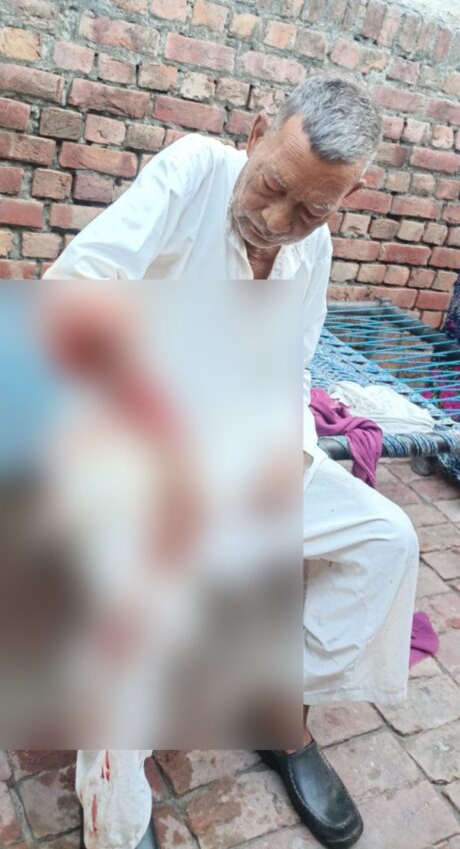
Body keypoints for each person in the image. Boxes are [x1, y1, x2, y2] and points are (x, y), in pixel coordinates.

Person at [44, 74, 419, 849]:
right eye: (274, 187)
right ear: (254, 134)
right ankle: (118, 814)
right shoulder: (191, 173)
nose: (279, 223)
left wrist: (285, 452)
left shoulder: (313, 249)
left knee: (387, 541)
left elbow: (291, 369)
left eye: (311, 210)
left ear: (345, 199)